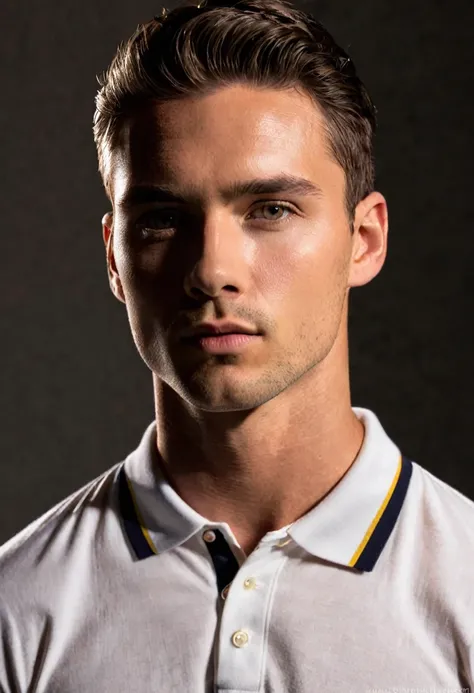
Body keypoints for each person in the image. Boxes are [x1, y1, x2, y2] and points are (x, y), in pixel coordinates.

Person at [1, 0, 473, 690]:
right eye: (163, 219)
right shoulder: (17, 611)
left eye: (271, 209)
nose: (212, 268)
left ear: (363, 241)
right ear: (114, 257)